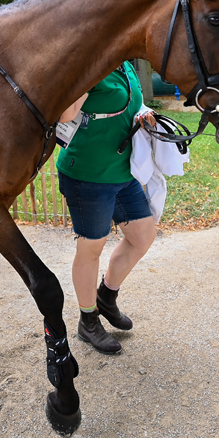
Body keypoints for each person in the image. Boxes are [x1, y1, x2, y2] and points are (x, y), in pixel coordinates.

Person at [57, 62, 158, 355]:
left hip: (122, 171)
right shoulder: (91, 64)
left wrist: (142, 115)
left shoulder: (124, 65)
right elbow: (64, 115)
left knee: (142, 235)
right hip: (87, 174)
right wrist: (82, 74)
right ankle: (88, 321)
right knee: (91, 248)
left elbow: (127, 103)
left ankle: (106, 297)